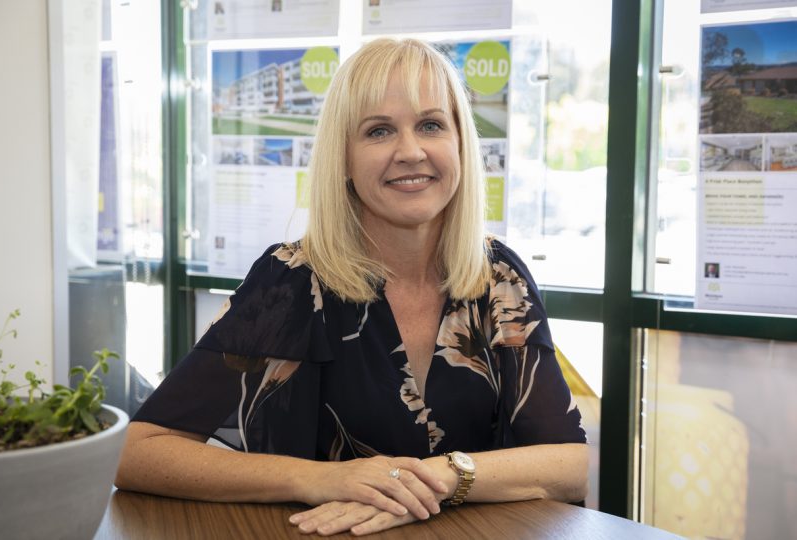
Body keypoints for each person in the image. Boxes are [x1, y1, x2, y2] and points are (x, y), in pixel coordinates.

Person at [115, 38, 588, 536]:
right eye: (379, 130)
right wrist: (325, 479)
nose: (410, 151)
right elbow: (140, 452)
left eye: (430, 125)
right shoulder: (292, 281)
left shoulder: (499, 277)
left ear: (461, 145)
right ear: (342, 157)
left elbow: (568, 463)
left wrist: (440, 478)